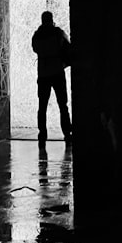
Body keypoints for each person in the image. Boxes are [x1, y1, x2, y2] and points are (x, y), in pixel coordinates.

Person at [32, 11, 72, 144]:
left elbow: (35, 48)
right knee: (63, 105)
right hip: (57, 72)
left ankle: (42, 134)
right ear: (51, 19)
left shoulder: (37, 35)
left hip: (43, 74)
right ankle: (67, 133)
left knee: (42, 106)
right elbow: (68, 47)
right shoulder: (58, 33)